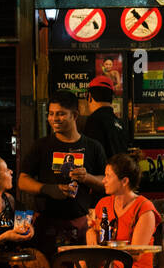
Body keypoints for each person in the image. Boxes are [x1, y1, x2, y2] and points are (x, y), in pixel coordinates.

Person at [18, 90, 105, 253]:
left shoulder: (93, 147)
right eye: (51, 114)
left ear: (75, 115)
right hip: (47, 225)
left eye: (60, 114)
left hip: (82, 226)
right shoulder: (41, 145)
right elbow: (22, 180)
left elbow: (105, 182)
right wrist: (48, 189)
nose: (53, 119)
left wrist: (87, 178)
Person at [86, 152, 160, 268]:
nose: (103, 181)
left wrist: (104, 255)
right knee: (81, 265)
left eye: (108, 176)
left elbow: (135, 254)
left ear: (124, 181)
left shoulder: (144, 209)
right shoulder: (104, 204)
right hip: (107, 263)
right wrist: (91, 234)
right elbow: (99, 235)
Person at [81, 76, 130, 162]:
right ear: (112, 98)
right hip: (120, 173)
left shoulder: (94, 121)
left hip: (104, 174)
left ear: (89, 96)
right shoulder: (119, 122)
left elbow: (91, 157)